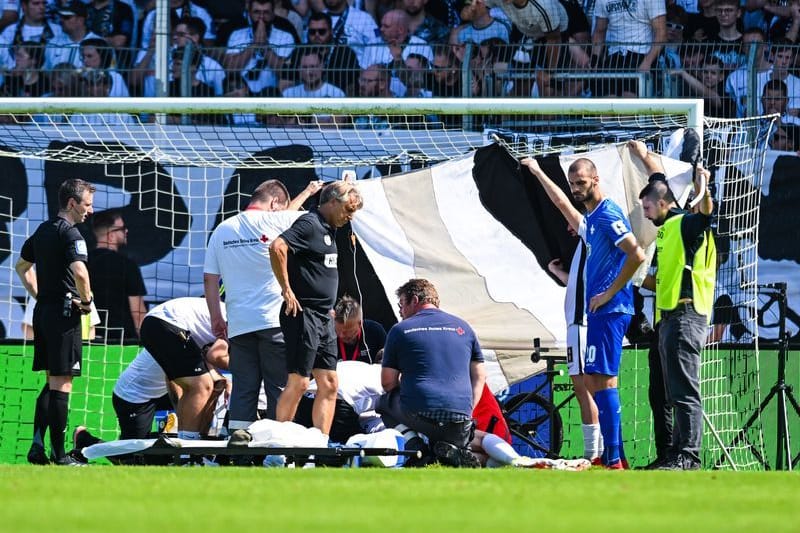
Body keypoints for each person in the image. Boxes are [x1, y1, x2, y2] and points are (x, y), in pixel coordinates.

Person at [521, 157, 645, 469]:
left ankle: (613, 458)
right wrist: (537, 172)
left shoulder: (606, 214)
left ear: (596, 179)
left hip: (610, 309)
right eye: (573, 184)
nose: (576, 189)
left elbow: (637, 253)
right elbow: (561, 202)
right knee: (601, 382)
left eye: (581, 183)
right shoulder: (591, 221)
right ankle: (612, 456)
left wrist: (609, 292)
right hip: (602, 312)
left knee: (600, 382)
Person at [204, 179, 323, 433]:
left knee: (243, 390)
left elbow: (210, 279)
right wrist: (309, 192)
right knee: (278, 388)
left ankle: (239, 449)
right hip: (274, 323)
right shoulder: (277, 221)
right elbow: (295, 217)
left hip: (239, 326)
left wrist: (216, 317)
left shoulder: (222, 229)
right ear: (274, 204)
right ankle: (275, 452)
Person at [634, 142, 716, 471]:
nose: (644, 214)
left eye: (647, 208)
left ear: (664, 203)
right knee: (665, 393)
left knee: (683, 391)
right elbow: (657, 178)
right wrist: (644, 155)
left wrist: (702, 185)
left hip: (686, 315)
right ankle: (671, 454)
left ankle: (689, 456)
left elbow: (706, 213)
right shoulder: (667, 228)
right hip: (667, 318)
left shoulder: (684, 223)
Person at [269, 181, 364, 438]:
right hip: (304, 315)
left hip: (324, 317)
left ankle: (318, 444)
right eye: (347, 209)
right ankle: (278, 447)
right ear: (332, 202)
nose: (350, 216)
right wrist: (286, 289)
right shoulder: (310, 224)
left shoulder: (331, 229)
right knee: (299, 382)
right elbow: (277, 246)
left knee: (330, 384)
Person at [14, 178, 95, 466]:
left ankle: (37, 447)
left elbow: (21, 266)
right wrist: (85, 303)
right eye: (87, 204)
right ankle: (60, 456)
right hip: (64, 315)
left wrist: (39, 294)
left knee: (51, 381)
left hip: (44, 313)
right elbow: (81, 274)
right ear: (72, 203)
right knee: (62, 384)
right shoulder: (70, 234)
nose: (90, 211)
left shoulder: (43, 230)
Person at [378, 278, 487, 467]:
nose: (401, 312)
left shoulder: (399, 330)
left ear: (414, 300)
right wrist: (467, 411)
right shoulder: (465, 327)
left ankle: (417, 448)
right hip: (461, 418)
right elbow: (480, 376)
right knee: (447, 455)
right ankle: (449, 451)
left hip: (419, 413)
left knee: (382, 403)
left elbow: (388, 383)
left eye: (401, 305)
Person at [72, 337, 229, 464]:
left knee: (210, 390)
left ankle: (199, 450)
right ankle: (85, 440)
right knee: (131, 459)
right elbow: (172, 380)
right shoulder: (177, 342)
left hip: (159, 393)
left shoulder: (203, 342)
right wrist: (184, 419)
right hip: (134, 396)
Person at [137, 297, 231, 444]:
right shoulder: (241, 321)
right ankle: (187, 449)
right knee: (200, 386)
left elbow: (209, 353)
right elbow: (215, 355)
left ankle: (193, 444)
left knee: (211, 384)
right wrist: (247, 371)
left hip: (156, 324)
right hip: (165, 324)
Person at [546, 232, 603, 462]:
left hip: (581, 323)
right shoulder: (582, 248)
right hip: (576, 324)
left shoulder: (590, 238)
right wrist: (558, 273)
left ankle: (595, 454)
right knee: (585, 388)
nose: (566, 228)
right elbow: (578, 283)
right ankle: (600, 452)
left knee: (584, 388)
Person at [88, 208, 147, 343]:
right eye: (123, 228)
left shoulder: (81, 263)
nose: (126, 231)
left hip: (87, 341)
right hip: (123, 342)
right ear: (111, 235)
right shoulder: (127, 265)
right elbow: (138, 314)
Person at [333, 295, 386, 364]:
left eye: (346, 331)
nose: (341, 335)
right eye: (338, 331)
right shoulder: (329, 335)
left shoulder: (375, 331)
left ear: (360, 323)